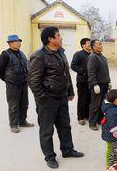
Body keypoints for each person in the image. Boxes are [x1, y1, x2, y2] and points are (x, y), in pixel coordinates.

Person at [28, 27, 84, 169]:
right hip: (48, 100)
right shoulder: (39, 56)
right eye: (58, 35)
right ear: (50, 39)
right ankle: (50, 157)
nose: (61, 38)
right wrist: (43, 98)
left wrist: (70, 90)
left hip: (62, 96)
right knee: (47, 131)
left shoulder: (61, 52)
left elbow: (66, 73)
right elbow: (33, 81)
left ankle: (67, 150)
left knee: (65, 126)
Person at [0, 34, 34, 133]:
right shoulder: (5, 54)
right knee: (13, 105)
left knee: (24, 103)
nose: (19, 43)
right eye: (16, 41)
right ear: (10, 43)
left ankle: (22, 121)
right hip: (12, 84)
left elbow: (26, 66)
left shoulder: (21, 53)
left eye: (19, 41)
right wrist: (7, 79)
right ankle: (13, 124)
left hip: (23, 82)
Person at [87, 39, 112, 131]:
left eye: (101, 44)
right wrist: (94, 84)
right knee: (95, 105)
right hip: (97, 85)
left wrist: (109, 81)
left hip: (104, 84)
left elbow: (106, 71)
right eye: (99, 44)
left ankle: (100, 120)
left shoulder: (103, 57)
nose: (101, 45)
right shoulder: (92, 57)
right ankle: (92, 123)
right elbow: (91, 72)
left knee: (103, 104)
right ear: (93, 47)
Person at [71, 38, 91, 125]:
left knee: (89, 99)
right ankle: (80, 117)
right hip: (82, 80)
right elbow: (73, 66)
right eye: (88, 43)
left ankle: (87, 115)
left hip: (91, 81)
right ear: (83, 45)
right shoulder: (78, 54)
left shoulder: (92, 54)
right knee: (82, 99)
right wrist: (82, 71)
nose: (90, 45)